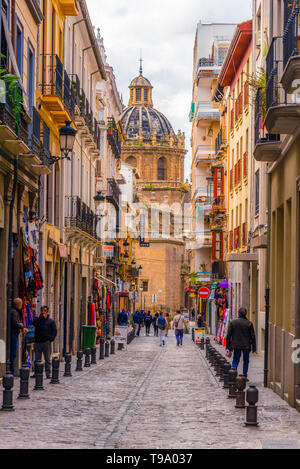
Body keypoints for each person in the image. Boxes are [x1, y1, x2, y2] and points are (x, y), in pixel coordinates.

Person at [226, 307, 257, 380]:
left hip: (236, 345)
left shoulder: (233, 322)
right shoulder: (249, 323)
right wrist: (254, 348)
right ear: (246, 314)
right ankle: (245, 375)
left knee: (236, 360)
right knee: (246, 361)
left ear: (238, 313)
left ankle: (234, 372)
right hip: (246, 345)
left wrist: (228, 347)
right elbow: (253, 336)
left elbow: (228, 335)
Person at [33, 306, 57, 379]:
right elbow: (34, 323)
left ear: (47, 311)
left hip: (46, 342)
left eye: (45, 311)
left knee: (47, 359)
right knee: (37, 359)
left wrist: (50, 339)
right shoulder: (38, 319)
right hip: (37, 342)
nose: (43, 312)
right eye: (42, 311)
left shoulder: (51, 321)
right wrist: (40, 317)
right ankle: (36, 373)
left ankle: (47, 373)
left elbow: (54, 331)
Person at [10, 298, 28, 376]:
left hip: (13, 334)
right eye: (21, 304)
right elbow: (15, 323)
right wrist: (22, 326)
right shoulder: (14, 312)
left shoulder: (14, 311)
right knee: (13, 353)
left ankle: (11, 370)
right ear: (19, 305)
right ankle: (11, 371)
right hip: (13, 334)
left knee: (12, 352)